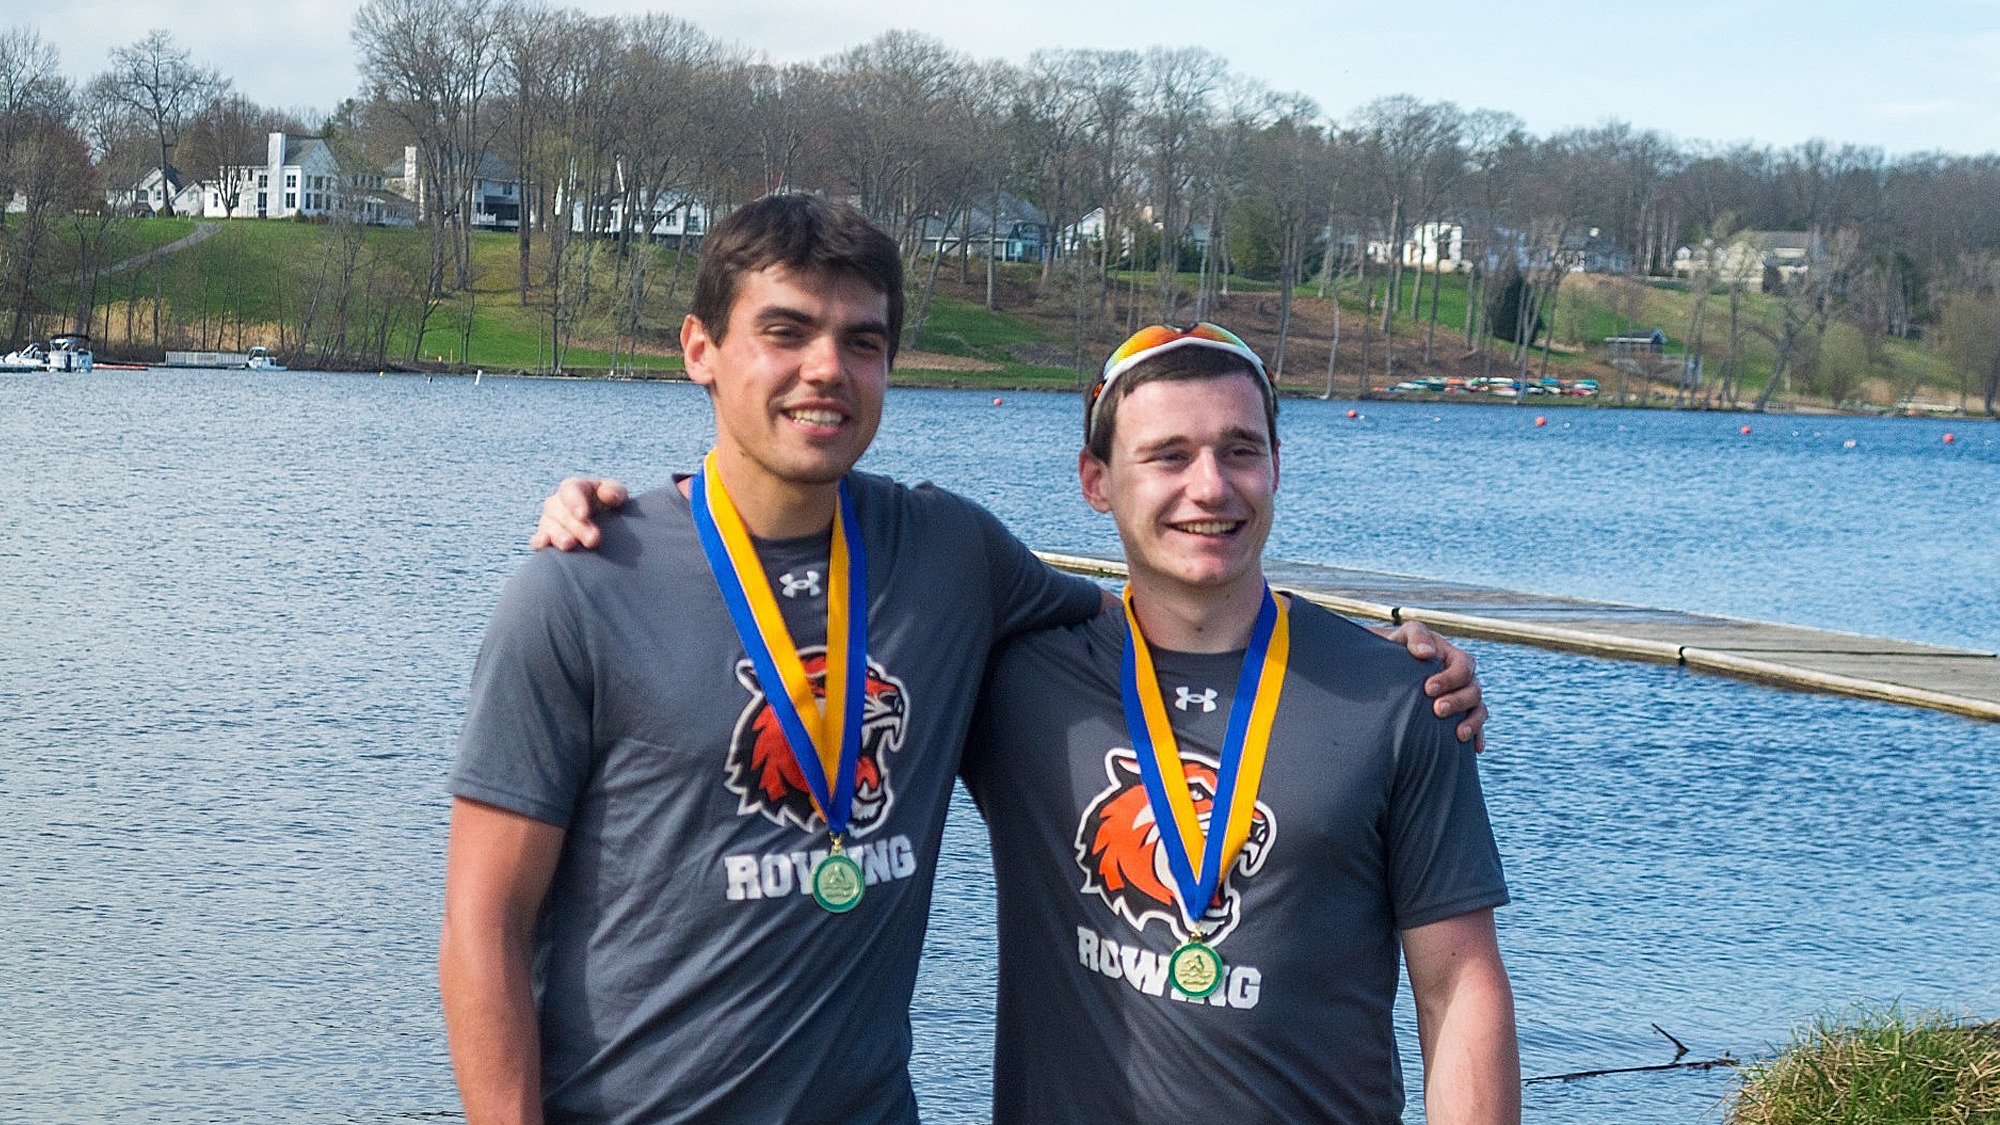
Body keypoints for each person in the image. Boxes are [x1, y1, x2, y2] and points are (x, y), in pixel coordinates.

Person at [455, 193, 1484, 1125]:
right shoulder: (581, 583)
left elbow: (1179, 606)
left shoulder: (951, 559)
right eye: (784, 332)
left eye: (860, 341)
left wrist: (1378, 666)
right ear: (698, 350)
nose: (825, 368)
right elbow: (483, 922)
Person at [961, 323, 1518, 1123]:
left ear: (1277, 467)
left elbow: (1457, 985)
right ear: (1096, 480)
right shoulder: (1014, 680)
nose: (1211, 486)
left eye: (1240, 450)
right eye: (1168, 456)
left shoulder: (1398, 696)